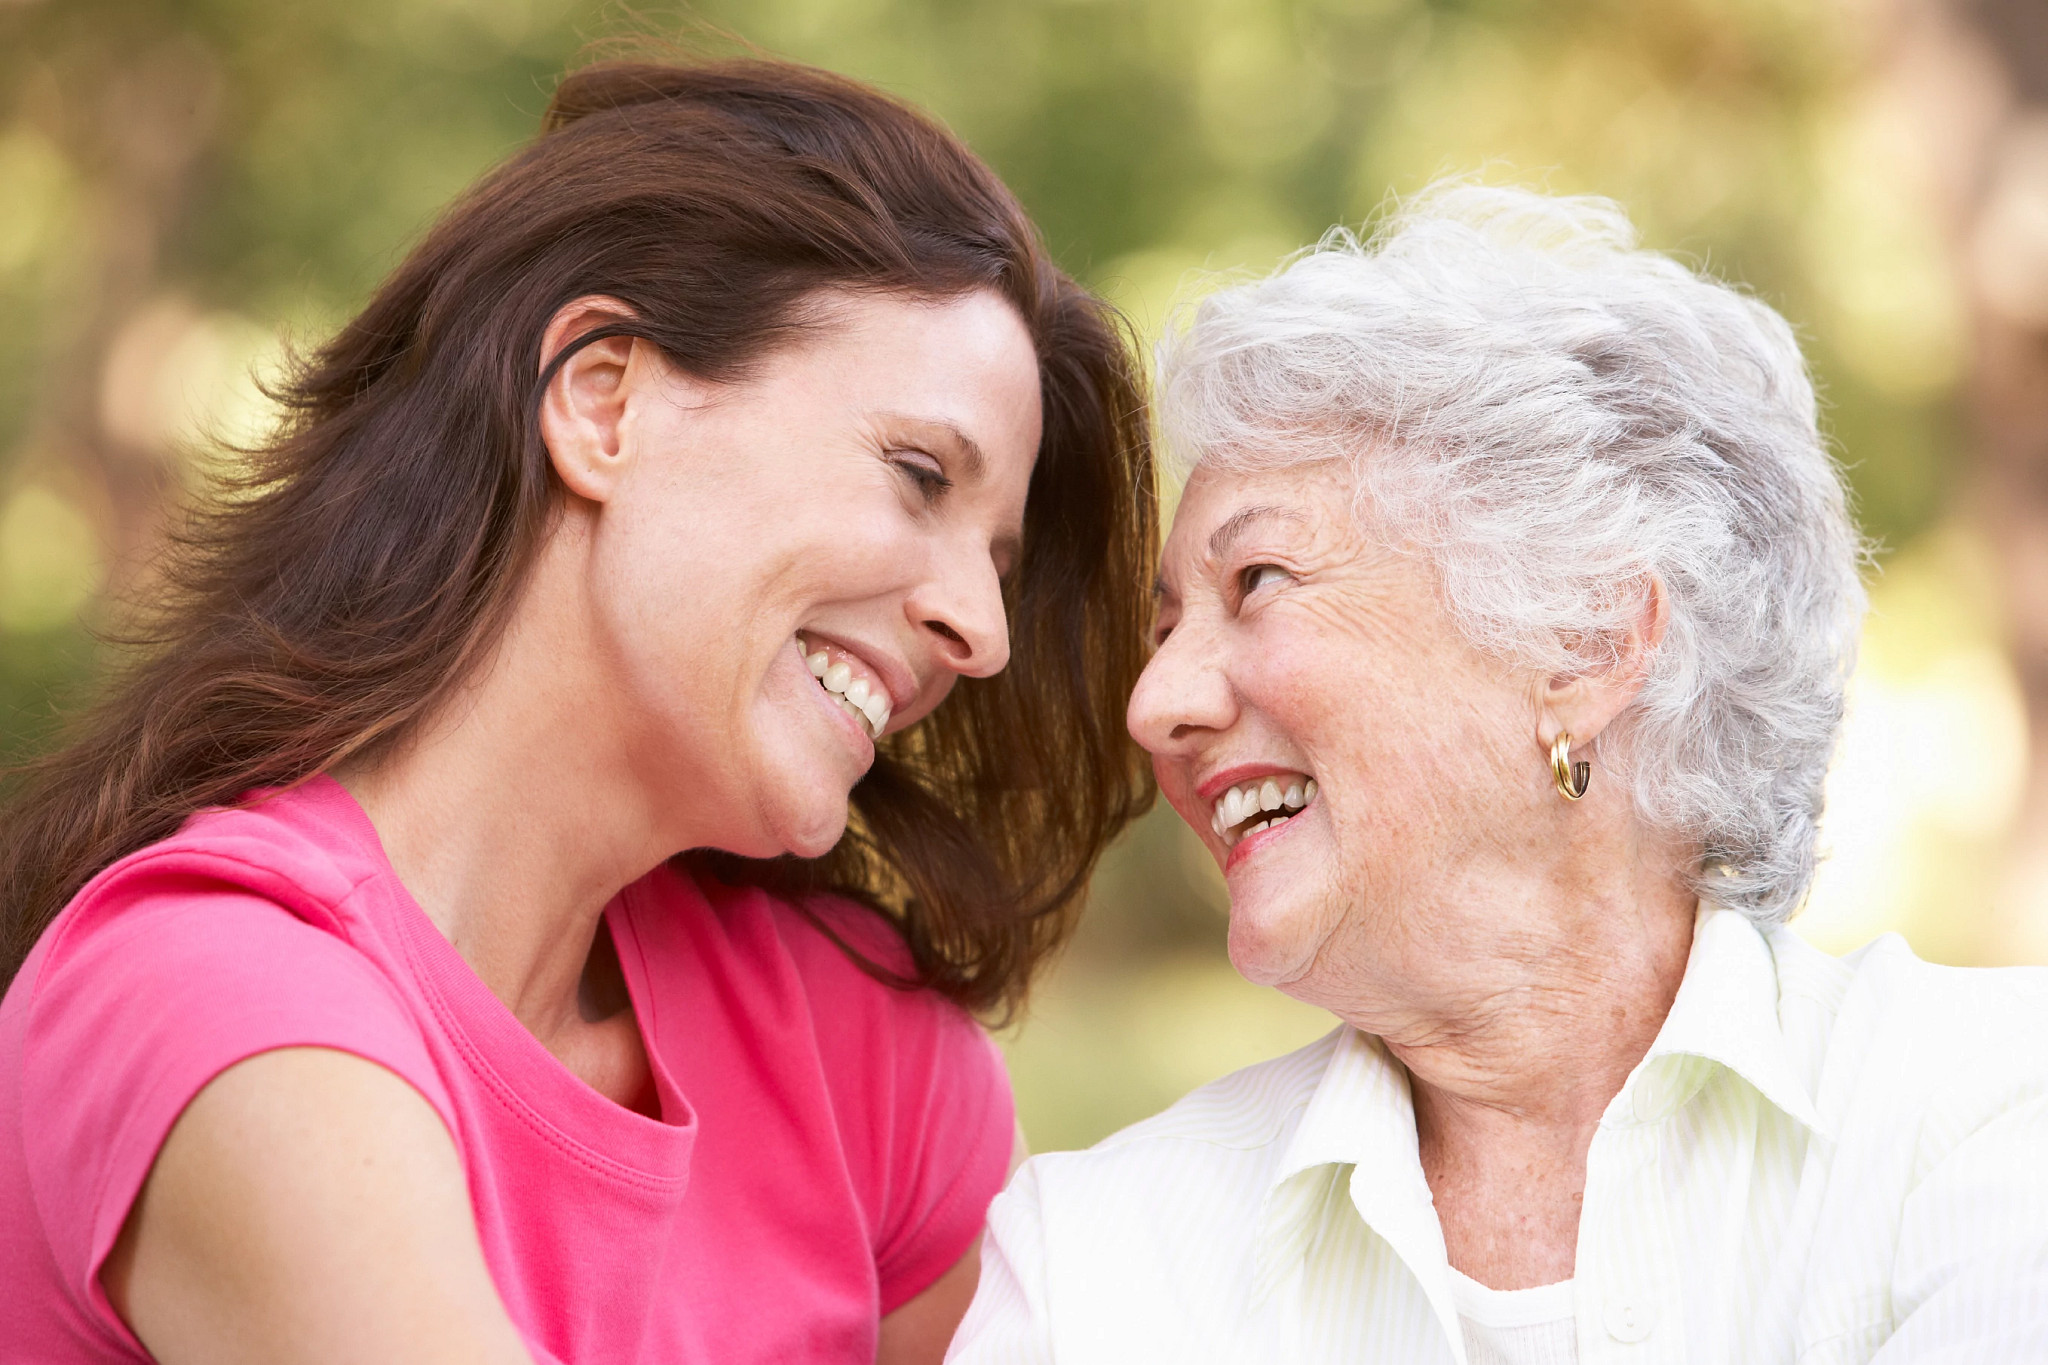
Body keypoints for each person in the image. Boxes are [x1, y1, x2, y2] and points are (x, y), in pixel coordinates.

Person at [0, 56, 1156, 1365]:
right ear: (604, 402)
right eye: (915, 474)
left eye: (998, 565)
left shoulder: (863, 1055)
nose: (983, 633)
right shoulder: (215, 996)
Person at [947, 183, 2048, 1364]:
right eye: (1164, 631)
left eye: (1256, 579)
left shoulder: (1987, 1111)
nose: (1153, 705)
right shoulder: (1098, 1259)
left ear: (1580, 644)